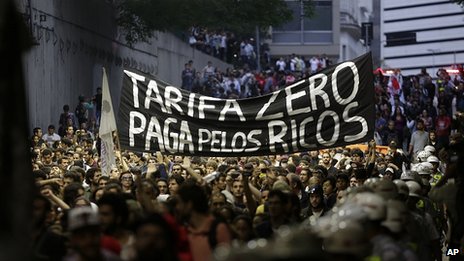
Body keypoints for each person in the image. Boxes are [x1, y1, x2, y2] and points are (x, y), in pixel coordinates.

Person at [175, 182, 232, 261]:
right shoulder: (185, 230)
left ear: (189, 204)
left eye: (179, 203)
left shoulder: (217, 228)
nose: (177, 207)